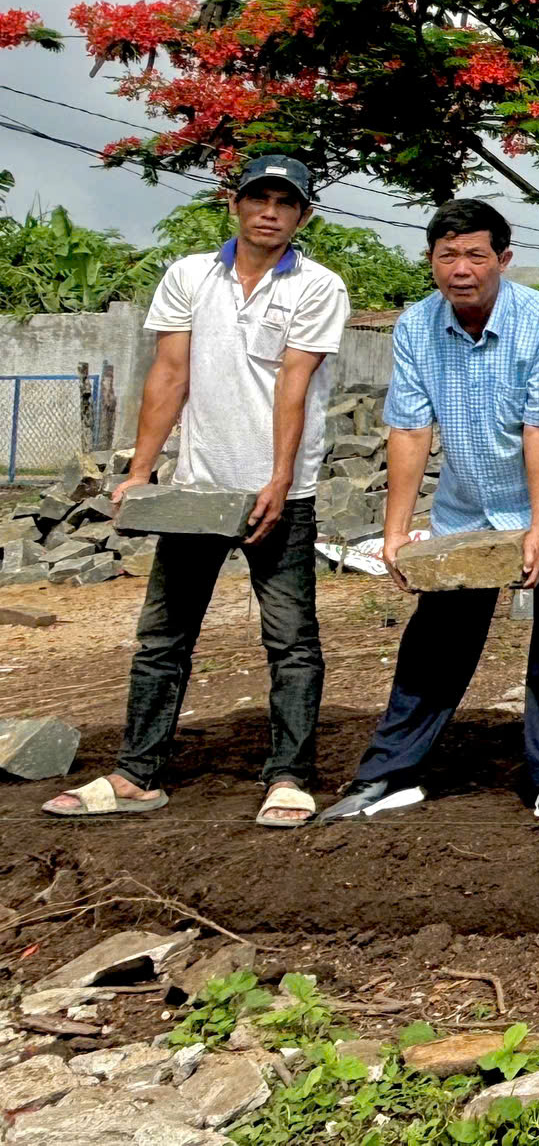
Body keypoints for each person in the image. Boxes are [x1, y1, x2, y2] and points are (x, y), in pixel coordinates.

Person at [44, 157, 347, 829]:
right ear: (233, 204)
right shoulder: (189, 276)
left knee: (290, 638)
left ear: (304, 215)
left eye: (284, 202)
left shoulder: (318, 287)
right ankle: (136, 773)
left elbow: (294, 385)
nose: (269, 211)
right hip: (197, 488)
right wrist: (139, 470)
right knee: (163, 636)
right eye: (257, 198)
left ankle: (291, 776)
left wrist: (277, 479)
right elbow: (170, 373)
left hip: (281, 493)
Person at [318, 199, 539, 823]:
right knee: (440, 633)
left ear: (502, 259)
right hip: (468, 505)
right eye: (447, 255)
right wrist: (395, 532)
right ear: (431, 262)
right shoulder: (416, 327)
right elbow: (410, 430)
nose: (461, 268)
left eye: (476, 254)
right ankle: (391, 772)